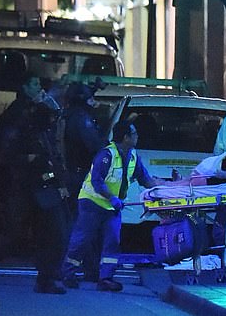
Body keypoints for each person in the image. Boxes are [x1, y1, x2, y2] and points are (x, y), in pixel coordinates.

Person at [0, 73, 70, 294]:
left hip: (45, 188)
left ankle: (45, 280)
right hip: (22, 187)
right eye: (35, 84)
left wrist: (59, 183)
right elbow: (6, 154)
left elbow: (52, 152)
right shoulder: (16, 116)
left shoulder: (43, 121)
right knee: (14, 237)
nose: (39, 90)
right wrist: (28, 159)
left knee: (56, 234)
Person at [61, 121, 168, 292]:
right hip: (92, 203)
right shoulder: (106, 155)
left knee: (112, 242)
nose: (137, 137)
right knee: (82, 240)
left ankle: (106, 278)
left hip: (112, 208)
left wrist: (166, 188)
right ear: (125, 137)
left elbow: (146, 179)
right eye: (134, 134)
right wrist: (112, 198)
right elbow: (97, 181)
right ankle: (68, 274)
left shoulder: (133, 156)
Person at [64, 82, 107, 215]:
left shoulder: (71, 114)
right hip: (80, 171)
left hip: (74, 169)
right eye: (91, 99)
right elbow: (94, 144)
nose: (94, 103)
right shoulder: (81, 118)